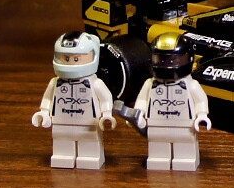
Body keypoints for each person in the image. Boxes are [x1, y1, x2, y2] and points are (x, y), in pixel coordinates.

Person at [32, 31, 116, 169]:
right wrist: (44, 112)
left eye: (76, 59)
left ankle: (90, 157)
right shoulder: (55, 83)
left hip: (88, 123)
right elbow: (47, 98)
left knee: (89, 145)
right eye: (66, 58)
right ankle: (63, 157)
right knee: (62, 143)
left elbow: (106, 99)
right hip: (61, 122)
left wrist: (106, 114)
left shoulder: (95, 83)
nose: (70, 62)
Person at [133, 32, 210, 171]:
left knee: (184, 151)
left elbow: (200, 101)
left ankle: (186, 159)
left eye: (174, 60)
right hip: (156, 125)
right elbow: (142, 100)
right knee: (158, 149)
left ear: (189, 59)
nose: (168, 64)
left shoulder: (191, 85)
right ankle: (158, 159)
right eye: (161, 60)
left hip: (185, 126)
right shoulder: (150, 84)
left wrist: (202, 115)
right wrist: (138, 113)